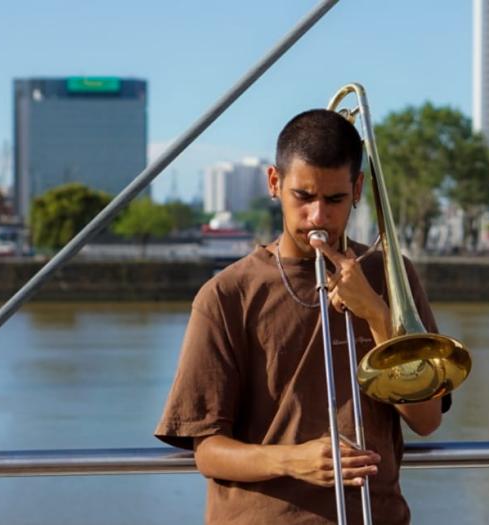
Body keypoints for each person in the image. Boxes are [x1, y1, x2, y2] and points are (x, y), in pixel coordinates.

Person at [155, 109, 449, 524]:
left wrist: (377, 314)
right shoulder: (227, 295)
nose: (318, 217)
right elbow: (207, 450)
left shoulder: (391, 276)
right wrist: (292, 461)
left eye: (334, 200)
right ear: (275, 183)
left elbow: (426, 420)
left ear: (358, 188)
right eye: (303, 197)